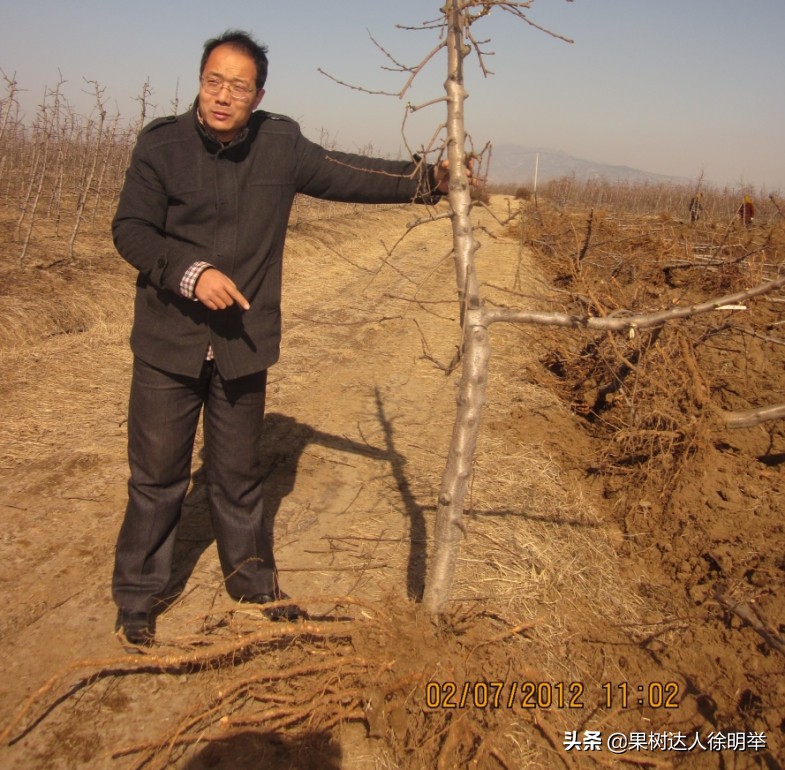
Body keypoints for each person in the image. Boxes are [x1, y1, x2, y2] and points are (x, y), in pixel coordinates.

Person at [112, 29, 453, 645]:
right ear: (199, 81)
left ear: (258, 93)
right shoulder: (161, 146)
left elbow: (349, 174)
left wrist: (431, 179)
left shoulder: (280, 144)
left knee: (239, 474)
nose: (223, 96)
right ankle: (139, 597)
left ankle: (251, 583)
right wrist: (191, 274)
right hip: (169, 341)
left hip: (242, 342)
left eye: (238, 87)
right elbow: (131, 230)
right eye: (214, 81)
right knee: (158, 477)